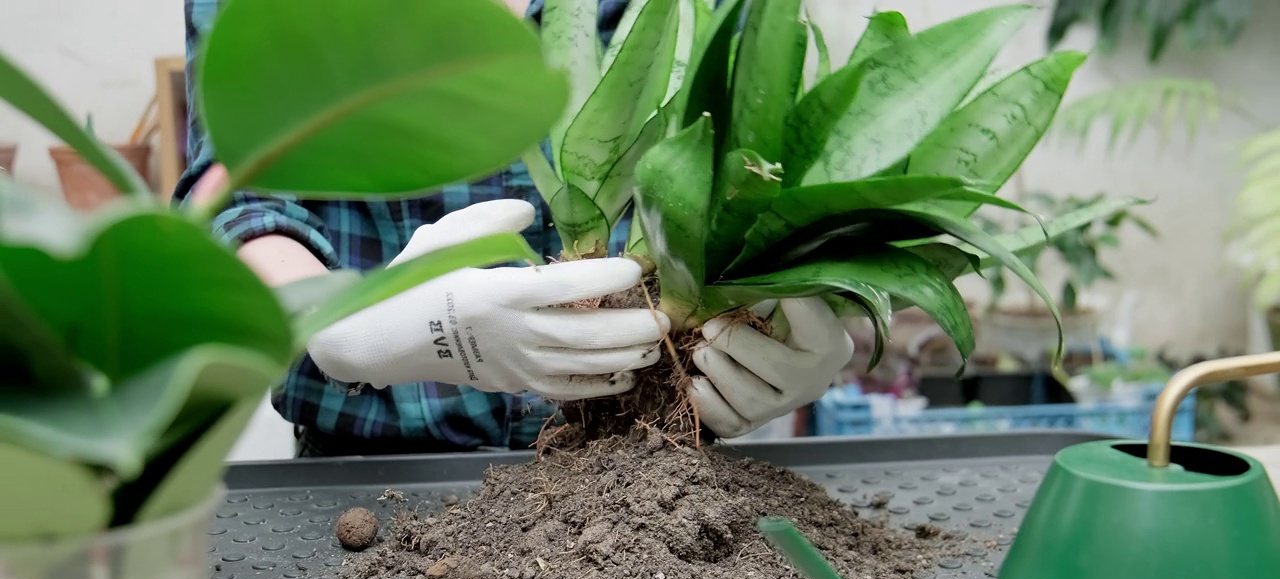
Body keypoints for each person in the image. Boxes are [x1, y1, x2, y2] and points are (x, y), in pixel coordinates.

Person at [176, 0, 855, 458]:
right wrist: (343, 324)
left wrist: (786, 326)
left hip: (664, 468)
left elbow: (754, 168)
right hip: (377, 479)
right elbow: (237, 193)